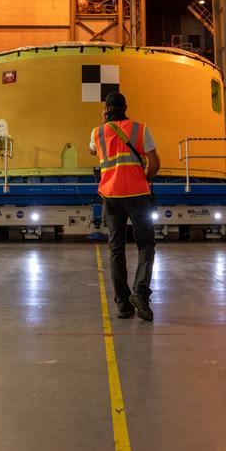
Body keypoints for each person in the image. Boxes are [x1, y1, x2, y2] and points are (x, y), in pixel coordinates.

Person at [89, 91, 160, 321]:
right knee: (146, 244)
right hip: (138, 195)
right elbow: (154, 162)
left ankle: (122, 304)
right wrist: (145, 178)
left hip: (110, 196)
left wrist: (104, 121)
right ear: (126, 107)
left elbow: (92, 150)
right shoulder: (141, 129)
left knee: (116, 248)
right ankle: (140, 292)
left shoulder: (97, 132)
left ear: (106, 110)